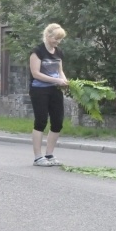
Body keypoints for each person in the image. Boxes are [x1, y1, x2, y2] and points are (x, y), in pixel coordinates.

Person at [29, 23, 68, 167]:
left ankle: (49, 154)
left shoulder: (58, 52)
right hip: (39, 90)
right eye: (55, 39)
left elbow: (60, 70)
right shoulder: (37, 52)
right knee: (41, 121)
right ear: (47, 36)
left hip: (55, 90)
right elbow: (36, 74)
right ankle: (38, 157)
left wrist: (64, 80)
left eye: (60, 39)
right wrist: (56, 80)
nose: (57, 42)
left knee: (58, 121)